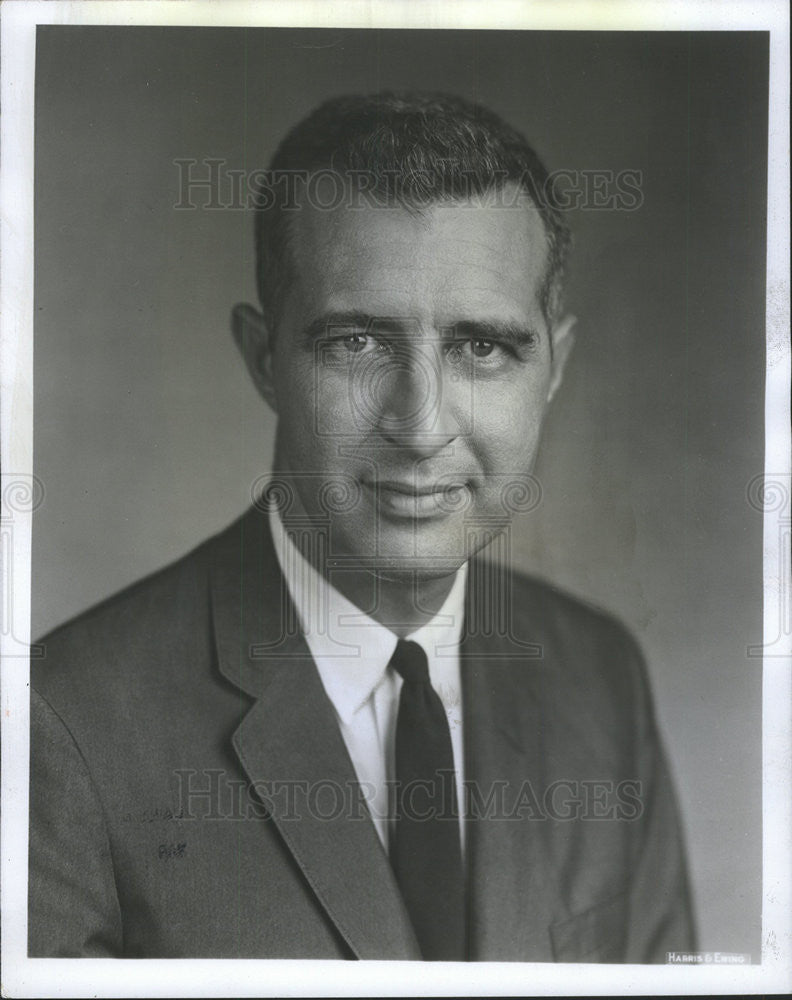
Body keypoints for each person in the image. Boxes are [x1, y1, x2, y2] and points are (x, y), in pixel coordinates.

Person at [29, 91, 695, 961]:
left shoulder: (602, 680)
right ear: (265, 359)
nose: (420, 428)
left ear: (554, 367)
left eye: (481, 348)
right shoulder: (59, 727)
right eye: (358, 344)